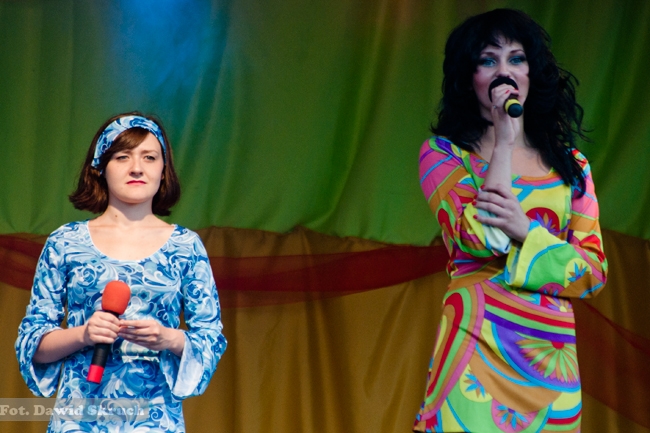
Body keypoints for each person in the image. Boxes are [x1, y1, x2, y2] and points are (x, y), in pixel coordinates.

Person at [414, 9, 607, 433]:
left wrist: (525, 230)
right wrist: (504, 142)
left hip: (549, 360)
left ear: (531, 73)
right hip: (475, 345)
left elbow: (591, 273)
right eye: (489, 60)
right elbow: (475, 238)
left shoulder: (572, 166)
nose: (505, 71)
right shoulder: (443, 155)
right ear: (469, 79)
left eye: (516, 59)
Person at [16, 112, 227, 432]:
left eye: (149, 157)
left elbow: (210, 339)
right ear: (100, 167)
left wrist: (169, 337)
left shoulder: (186, 246)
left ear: (163, 170)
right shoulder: (65, 242)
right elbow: (33, 343)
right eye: (123, 156)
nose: (137, 167)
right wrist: (83, 334)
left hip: (155, 420)